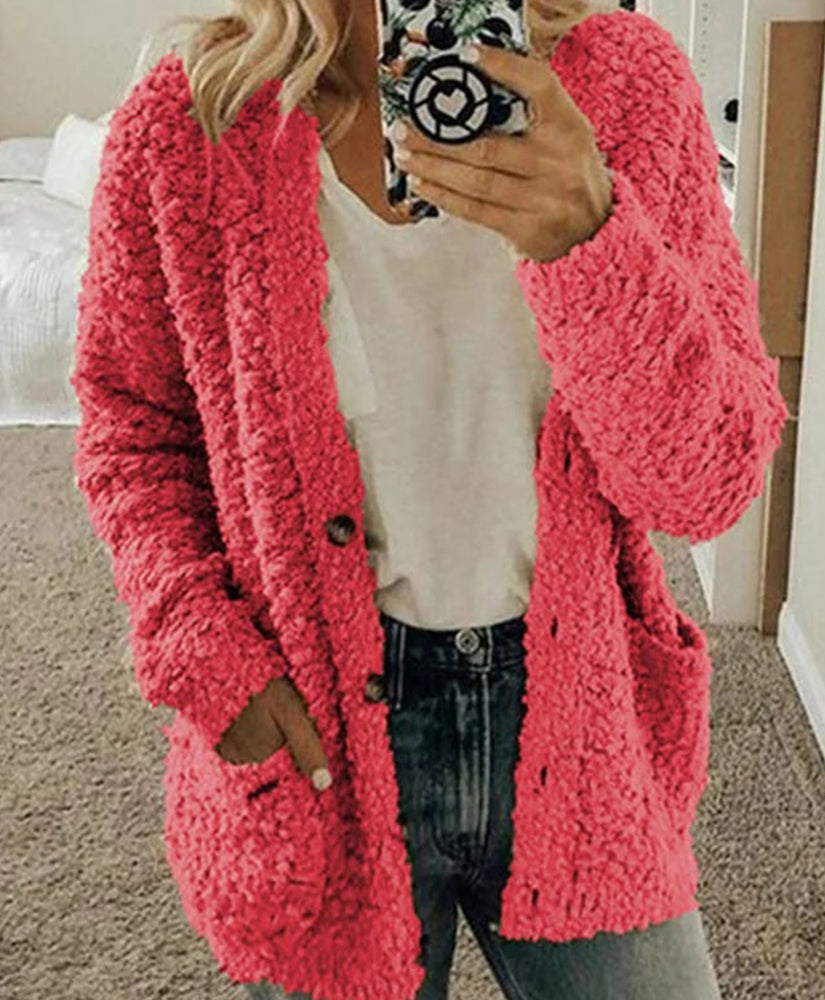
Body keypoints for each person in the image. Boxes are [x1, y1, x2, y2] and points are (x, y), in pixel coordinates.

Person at [71, 1, 788, 999]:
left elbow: (708, 482)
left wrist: (589, 233)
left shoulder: (630, 89)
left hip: (580, 724)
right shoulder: (191, 122)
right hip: (317, 737)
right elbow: (132, 427)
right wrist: (202, 650)